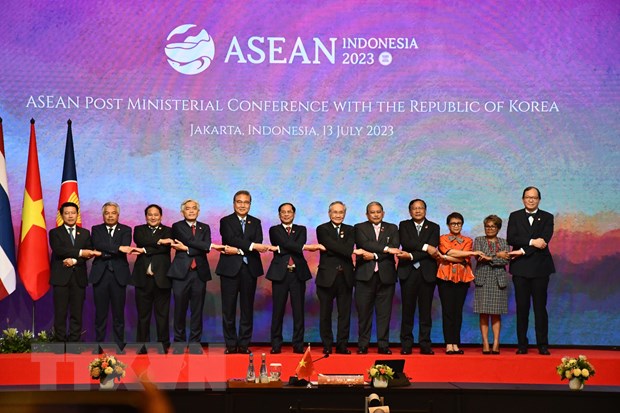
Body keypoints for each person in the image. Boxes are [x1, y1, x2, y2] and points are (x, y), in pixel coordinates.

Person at [215, 190, 271, 354]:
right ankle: (231, 345)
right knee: (229, 309)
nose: (242, 205)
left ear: (250, 204)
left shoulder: (256, 222)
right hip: (229, 270)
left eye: (246, 202)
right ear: (234, 204)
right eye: (239, 202)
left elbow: (259, 241)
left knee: (247, 308)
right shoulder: (225, 221)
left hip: (249, 270)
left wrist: (240, 249)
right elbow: (230, 239)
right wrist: (251, 247)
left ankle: (244, 344)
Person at [266, 202, 323, 354]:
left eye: (289, 212)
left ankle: (298, 345)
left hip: (297, 274)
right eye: (283, 212)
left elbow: (288, 245)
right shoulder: (274, 230)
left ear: (294, 214)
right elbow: (287, 243)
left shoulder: (301, 229)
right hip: (280, 274)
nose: (286, 214)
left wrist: (280, 248)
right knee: (278, 310)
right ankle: (276, 344)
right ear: (279, 214)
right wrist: (303, 247)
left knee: (298, 311)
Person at [165, 199, 219, 355]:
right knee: (180, 310)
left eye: (194, 208)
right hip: (180, 273)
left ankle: (195, 343)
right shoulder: (177, 226)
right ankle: (179, 343)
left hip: (199, 273)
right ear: (183, 211)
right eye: (187, 209)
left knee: (197, 310)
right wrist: (202, 246)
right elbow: (196, 243)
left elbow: (205, 248)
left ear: (198, 211)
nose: (191, 211)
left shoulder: (205, 227)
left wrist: (188, 249)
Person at [507, 186, 555, 355]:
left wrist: (522, 250)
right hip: (520, 269)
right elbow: (512, 238)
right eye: (528, 197)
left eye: (534, 197)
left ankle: (542, 344)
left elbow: (543, 243)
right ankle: (522, 345)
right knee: (522, 308)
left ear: (539, 200)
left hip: (541, 269)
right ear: (523, 199)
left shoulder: (548, 217)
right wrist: (532, 241)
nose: (531, 200)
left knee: (540, 308)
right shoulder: (515, 216)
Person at [49, 202, 100, 343]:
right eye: (67, 213)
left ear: (77, 214)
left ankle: (74, 343)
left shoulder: (84, 233)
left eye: (73, 213)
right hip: (61, 279)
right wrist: (80, 253)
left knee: (77, 313)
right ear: (61, 215)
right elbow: (59, 250)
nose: (70, 216)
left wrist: (75, 260)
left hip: (79, 278)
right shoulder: (54, 233)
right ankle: (60, 343)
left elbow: (89, 253)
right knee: (60, 313)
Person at [353, 201, 400, 354]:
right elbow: (364, 243)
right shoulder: (359, 227)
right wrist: (386, 249)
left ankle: (383, 345)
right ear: (367, 214)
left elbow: (395, 246)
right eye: (372, 212)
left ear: (383, 213)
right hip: (364, 277)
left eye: (378, 211)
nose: (375, 214)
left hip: (386, 276)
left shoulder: (392, 228)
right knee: (364, 313)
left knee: (384, 313)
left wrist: (373, 255)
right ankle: (363, 345)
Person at [396, 199, 440, 355]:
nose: (418, 211)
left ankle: (425, 344)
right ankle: (406, 344)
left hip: (426, 273)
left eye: (420, 208)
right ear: (410, 211)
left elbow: (434, 249)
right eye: (414, 208)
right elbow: (406, 242)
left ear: (425, 210)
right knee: (407, 310)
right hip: (408, 272)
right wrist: (425, 247)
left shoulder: (434, 227)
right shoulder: (403, 225)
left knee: (425, 311)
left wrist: (411, 255)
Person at [90, 202, 136, 348]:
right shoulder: (96, 229)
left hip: (119, 276)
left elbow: (125, 246)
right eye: (107, 213)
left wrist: (105, 252)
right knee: (100, 313)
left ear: (118, 214)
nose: (110, 215)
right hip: (100, 276)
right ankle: (99, 344)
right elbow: (98, 244)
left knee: (118, 313)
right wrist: (117, 248)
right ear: (103, 215)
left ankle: (119, 344)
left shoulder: (126, 229)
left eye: (113, 213)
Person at [436, 212, 480, 355]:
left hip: (463, 278)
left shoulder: (468, 240)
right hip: (445, 277)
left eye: (459, 223)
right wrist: (458, 255)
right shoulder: (442, 238)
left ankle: (456, 343)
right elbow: (448, 251)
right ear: (448, 225)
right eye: (453, 223)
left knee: (457, 312)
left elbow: (458, 256)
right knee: (447, 311)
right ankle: (449, 343)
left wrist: (447, 257)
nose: (456, 226)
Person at [315, 201, 355, 355]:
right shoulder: (322, 229)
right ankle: (327, 344)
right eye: (335, 212)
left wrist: (331, 248)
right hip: (327, 277)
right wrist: (341, 248)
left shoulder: (351, 230)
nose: (338, 215)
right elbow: (344, 250)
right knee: (325, 313)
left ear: (344, 214)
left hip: (345, 277)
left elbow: (347, 250)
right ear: (329, 213)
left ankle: (342, 345)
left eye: (341, 212)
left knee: (344, 314)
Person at [132, 204, 173, 354]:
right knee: (143, 315)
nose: (153, 217)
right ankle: (142, 345)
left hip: (162, 279)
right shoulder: (138, 230)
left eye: (156, 215)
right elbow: (140, 241)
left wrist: (144, 249)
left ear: (161, 216)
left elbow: (164, 248)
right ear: (146, 216)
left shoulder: (168, 230)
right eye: (150, 214)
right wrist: (158, 242)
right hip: (142, 279)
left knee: (162, 314)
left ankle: (163, 344)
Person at [473, 215, 510, 354]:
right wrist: (496, 256)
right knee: (483, 313)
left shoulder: (504, 242)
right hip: (483, 279)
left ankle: (495, 343)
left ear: (498, 228)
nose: (489, 229)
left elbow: (505, 261)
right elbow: (479, 257)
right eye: (487, 226)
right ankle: (485, 343)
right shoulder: (479, 240)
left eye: (493, 226)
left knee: (496, 314)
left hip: (498, 281)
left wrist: (490, 257)